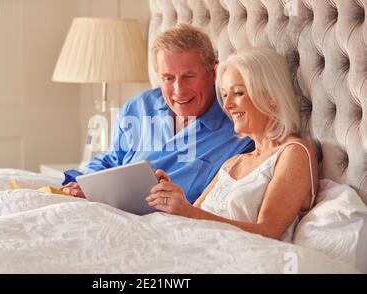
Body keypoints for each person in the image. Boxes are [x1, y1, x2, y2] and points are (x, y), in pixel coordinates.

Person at [61, 24, 254, 203]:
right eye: (168, 78)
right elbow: (112, 159)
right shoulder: (138, 107)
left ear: (213, 72)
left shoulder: (239, 128)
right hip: (110, 207)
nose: (179, 90)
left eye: (189, 76)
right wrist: (84, 183)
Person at [146, 47, 319, 242]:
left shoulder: (293, 152)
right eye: (225, 94)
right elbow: (193, 215)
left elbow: (268, 232)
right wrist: (173, 196)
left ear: (270, 96)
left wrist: (188, 212)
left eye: (237, 93)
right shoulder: (233, 162)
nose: (227, 105)